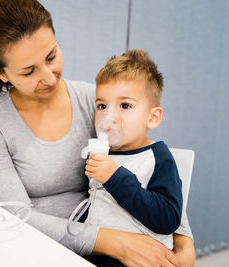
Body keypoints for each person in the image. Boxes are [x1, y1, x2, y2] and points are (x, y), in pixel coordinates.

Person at [0, 0, 196, 266]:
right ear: (1, 72)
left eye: (51, 56)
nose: (49, 77)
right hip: (40, 251)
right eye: (29, 71)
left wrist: (183, 238)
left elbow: (149, 165)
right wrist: (111, 242)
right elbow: (17, 215)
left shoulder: (98, 103)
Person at [78, 49, 183, 266]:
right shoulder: (103, 153)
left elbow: (168, 219)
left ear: (152, 117)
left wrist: (115, 178)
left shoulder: (158, 159)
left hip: (137, 259)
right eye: (102, 106)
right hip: (96, 250)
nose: (109, 117)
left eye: (125, 106)